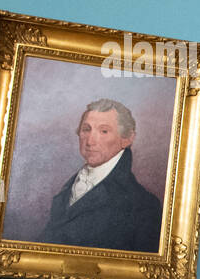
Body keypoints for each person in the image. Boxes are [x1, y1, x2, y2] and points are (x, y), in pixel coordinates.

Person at [40, 99, 162, 253]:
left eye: (104, 131)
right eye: (86, 129)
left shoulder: (143, 205)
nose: (90, 141)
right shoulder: (69, 187)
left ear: (127, 139)